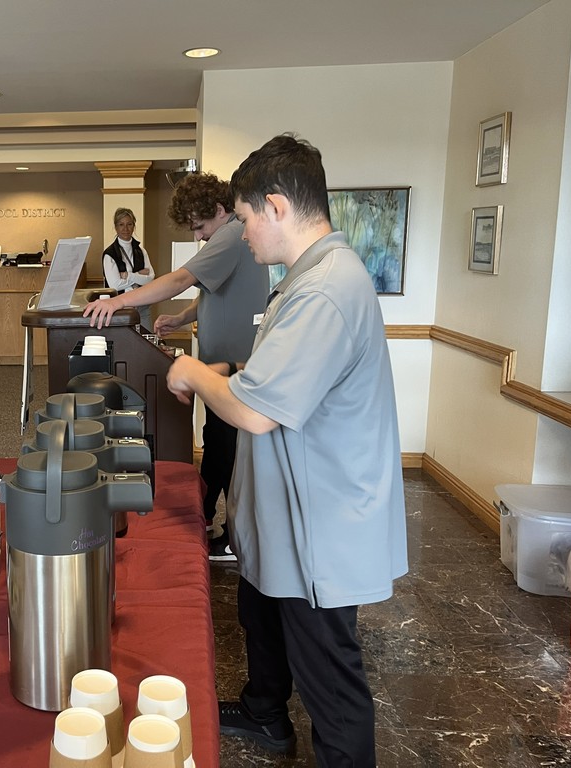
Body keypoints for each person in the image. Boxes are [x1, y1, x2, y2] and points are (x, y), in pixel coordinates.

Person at [166, 134, 407, 765]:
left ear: (275, 207)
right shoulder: (307, 278)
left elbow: (254, 409)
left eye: (244, 219)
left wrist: (194, 372)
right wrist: (232, 364)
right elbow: (282, 372)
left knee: (332, 683)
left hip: (321, 523)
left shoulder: (326, 287)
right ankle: (265, 711)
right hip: (291, 515)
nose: (242, 235)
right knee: (261, 615)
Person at [84, 174, 269, 558]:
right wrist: (181, 319)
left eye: (200, 226)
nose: (199, 236)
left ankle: (221, 527)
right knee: (218, 441)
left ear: (219, 210)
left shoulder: (232, 235)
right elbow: (211, 293)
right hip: (220, 365)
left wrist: (119, 302)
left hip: (235, 366)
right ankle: (207, 517)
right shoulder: (228, 235)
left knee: (225, 446)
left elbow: (182, 278)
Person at [101, 208, 155, 328]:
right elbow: (115, 285)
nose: (125, 229)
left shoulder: (141, 251)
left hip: (143, 305)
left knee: (147, 342)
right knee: (126, 343)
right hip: (121, 308)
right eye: (121, 224)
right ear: (116, 227)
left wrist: (128, 275)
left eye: (129, 224)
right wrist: (140, 276)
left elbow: (150, 279)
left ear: (134, 226)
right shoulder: (110, 254)